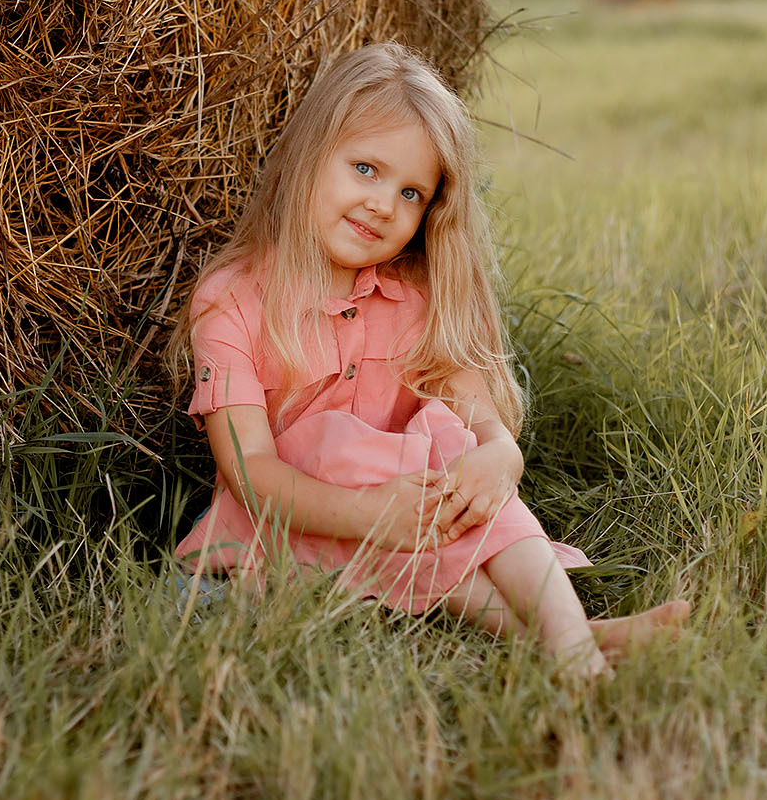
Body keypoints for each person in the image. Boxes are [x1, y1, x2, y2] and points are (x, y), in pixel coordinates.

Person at [168, 44, 688, 677]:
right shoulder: (232, 301)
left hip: (412, 508)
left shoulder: (416, 300)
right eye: (365, 168)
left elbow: (481, 418)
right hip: (287, 518)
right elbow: (250, 469)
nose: (384, 204)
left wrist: (501, 454)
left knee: (452, 447)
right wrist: (367, 513)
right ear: (308, 157)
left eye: (411, 191)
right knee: (345, 449)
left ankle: (572, 645)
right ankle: (580, 640)